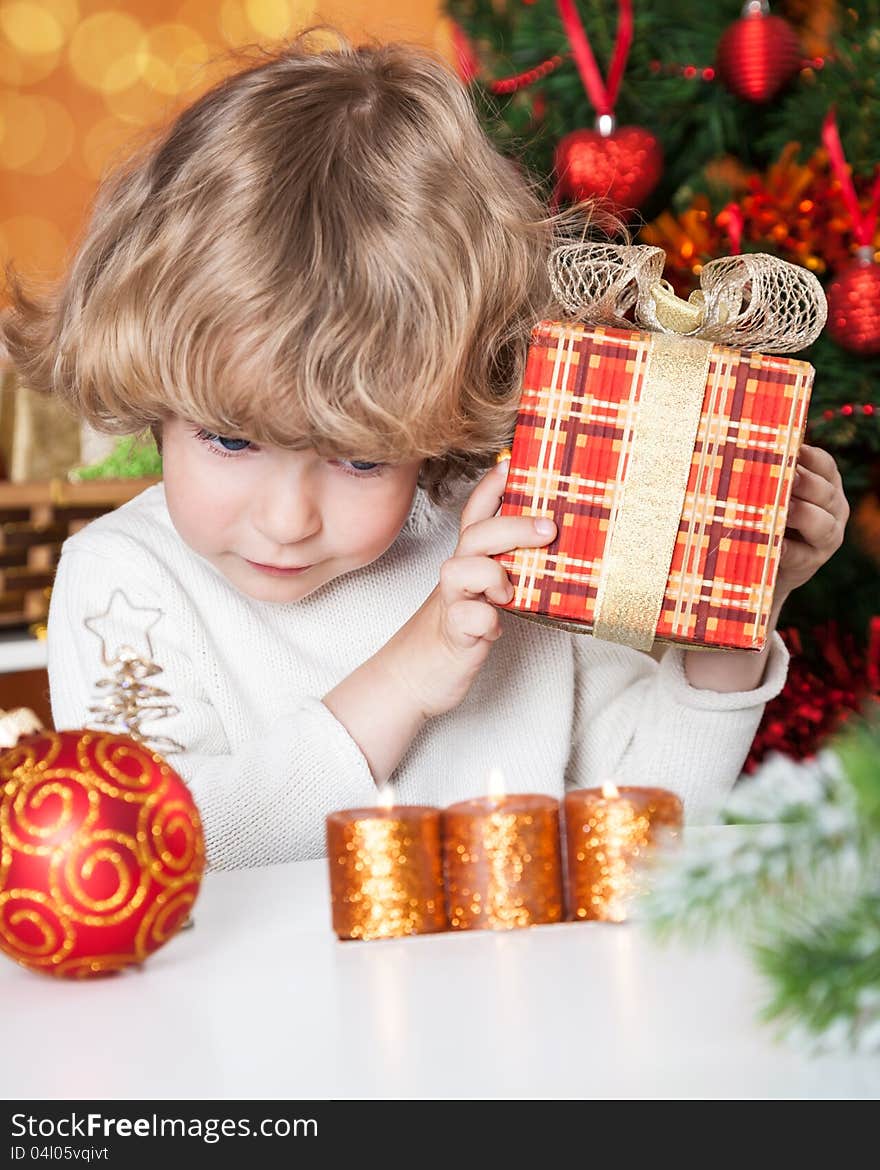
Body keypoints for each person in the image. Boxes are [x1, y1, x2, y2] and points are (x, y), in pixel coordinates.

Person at [1, 34, 848, 870]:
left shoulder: (496, 554)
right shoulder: (125, 582)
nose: (287, 520)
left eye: (361, 458)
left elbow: (646, 836)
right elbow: (144, 854)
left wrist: (733, 625)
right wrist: (408, 678)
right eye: (230, 439)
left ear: (437, 422)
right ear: (157, 395)